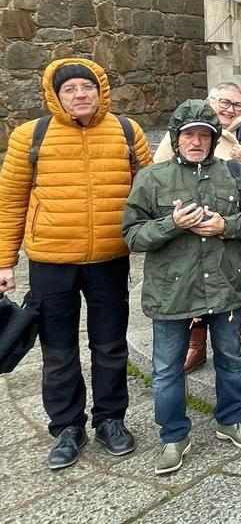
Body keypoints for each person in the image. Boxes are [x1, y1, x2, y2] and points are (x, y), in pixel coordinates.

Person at [0, 59, 152, 470]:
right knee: (58, 349)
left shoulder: (126, 131)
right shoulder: (30, 136)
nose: (80, 95)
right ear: (56, 94)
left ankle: (110, 420)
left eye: (87, 87)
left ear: (100, 90)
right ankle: (67, 426)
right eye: (70, 89)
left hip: (109, 257)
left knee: (110, 343)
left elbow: (150, 187)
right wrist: (4, 261)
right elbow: (11, 200)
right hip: (51, 260)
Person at [122, 100, 241, 474]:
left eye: (204, 135)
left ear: (214, 138)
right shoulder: (151, 178)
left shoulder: (234, 173)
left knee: (231, 360)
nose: (196, 141)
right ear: (176, 138)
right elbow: (132, 235)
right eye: (189, 134)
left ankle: (230, 420)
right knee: (167, 369)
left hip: (225, 282)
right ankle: (174, 436)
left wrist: (226, 226)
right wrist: (172, 223)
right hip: (171, 289)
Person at [152, 82, 241, 373]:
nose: (230, 109)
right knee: (192, 285)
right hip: (189, 225)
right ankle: (196, 345)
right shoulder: (187, 129)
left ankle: (229, 341)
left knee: (230, 283)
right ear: (209, 100)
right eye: (224, 102)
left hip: (233, 229)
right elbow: (159, 169)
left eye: (237, 105)